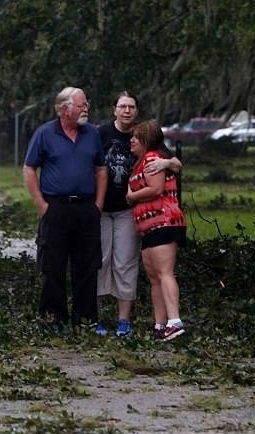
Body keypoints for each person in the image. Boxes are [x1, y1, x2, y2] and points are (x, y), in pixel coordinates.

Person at [96, 92, 180, 338]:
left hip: (127, 212)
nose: (126, 111)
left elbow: (174, 162)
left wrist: (166, 164)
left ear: (136, 111)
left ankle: (124, 320)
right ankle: (96, 317)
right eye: (122, 106)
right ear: (114, 109)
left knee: (125, 263)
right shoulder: (100, 134)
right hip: (102, 208)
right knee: (100, 261)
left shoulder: (144, 135)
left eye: (131, 107)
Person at [23, 86, 107, 331]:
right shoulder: (45, 134)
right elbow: (29, 169)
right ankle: (53, 319)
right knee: (53, 265)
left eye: (86, 105)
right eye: (81, 105)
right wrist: (42, 205)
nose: (86, 109)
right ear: (64, 108)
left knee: (88, 266)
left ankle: (85, 319)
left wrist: (98, 205)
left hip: (86, 208)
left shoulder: (92, 134)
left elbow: (101, 169)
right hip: (56, 207)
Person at [126, 120, 187, 341]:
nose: (131, 140)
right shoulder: (140, 162)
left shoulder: (153, 158)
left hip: (164, 222)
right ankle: (160, 324)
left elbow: (156, 188)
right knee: (154, 278)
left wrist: (132, 196)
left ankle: (174, 321)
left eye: (136, 137)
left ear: (147, 140)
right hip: (148, 227)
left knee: (165, 273)